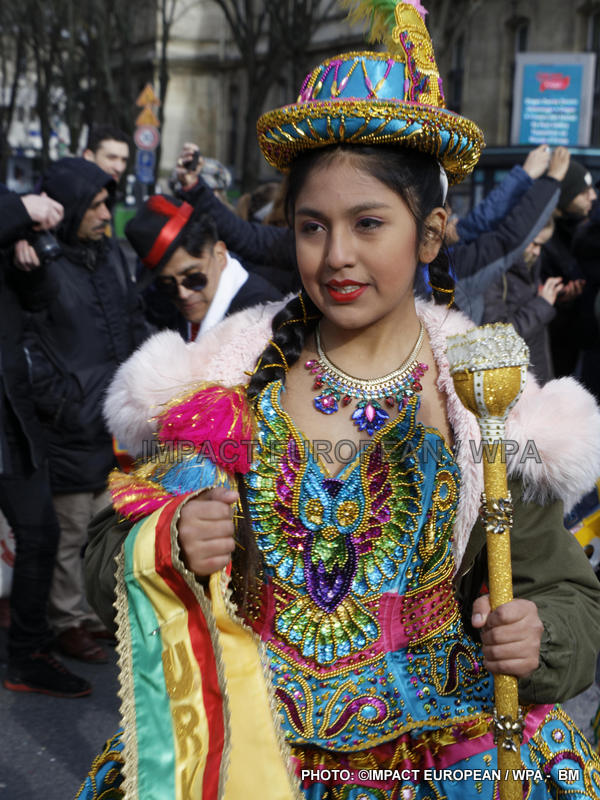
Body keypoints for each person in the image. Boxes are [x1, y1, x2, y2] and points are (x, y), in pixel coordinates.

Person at [78, 2, 600, 798]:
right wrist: (171, 540)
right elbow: (103, 555)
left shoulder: (484, 398)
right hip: (247, 752)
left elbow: (565, 592)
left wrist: (540, 635)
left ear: (430, 234)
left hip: (442, 758)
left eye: (369, 223)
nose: (337, 256)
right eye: (313, 226)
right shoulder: (221, 381)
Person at [23, 157, 151, 665]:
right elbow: (28, 343)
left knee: (107, 526)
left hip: (114, 418)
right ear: (70, 208)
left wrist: (144, 374)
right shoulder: (39, 262)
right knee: (70, 530)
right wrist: (62, 402)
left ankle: (94, 615)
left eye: (106, 203)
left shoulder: (110, 255)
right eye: (95, 205)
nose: (105, 215)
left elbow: (132, 315)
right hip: (70, 421)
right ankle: (66, 621)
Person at [0, 186, 91, 697]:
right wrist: (19, 211)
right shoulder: (11, 208)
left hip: (11, 412)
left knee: (40, 533)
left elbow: (37, 303)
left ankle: (28, 655)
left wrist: (27, 265)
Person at [125, 195, 282, 340]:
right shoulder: (175, 316)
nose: (183, 294)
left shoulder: (263, 315)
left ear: (220, 255)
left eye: (193, 278)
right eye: (167, 285)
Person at [481, 218, 559, 384]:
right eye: (535, 244)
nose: (537, 252)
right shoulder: (494, 274)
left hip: (534, 370)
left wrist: (550, 298)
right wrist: (543, 304)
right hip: (513, 380)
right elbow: (497, 335)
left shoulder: (528, 262)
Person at [540, 159, 596, 378]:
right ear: (565, 196)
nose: (593, 196)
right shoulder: (543, 240)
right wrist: (560, 300)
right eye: (584, 192)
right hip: (556, 353)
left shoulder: (586, 230)